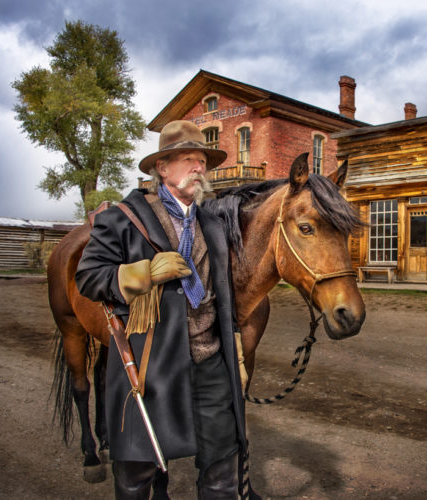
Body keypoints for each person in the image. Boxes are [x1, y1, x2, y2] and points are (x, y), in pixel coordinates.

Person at [76, 120, 256, 499]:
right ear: (162, 167)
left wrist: (234, 349)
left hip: (210, 364)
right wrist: (141, 273)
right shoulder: (124, 219)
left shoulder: (212, 224)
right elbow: (89, 277)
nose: (199, 168)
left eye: (203, 161)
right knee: (137, 476)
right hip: (151, 367)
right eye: (189, 159)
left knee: (222, 469)